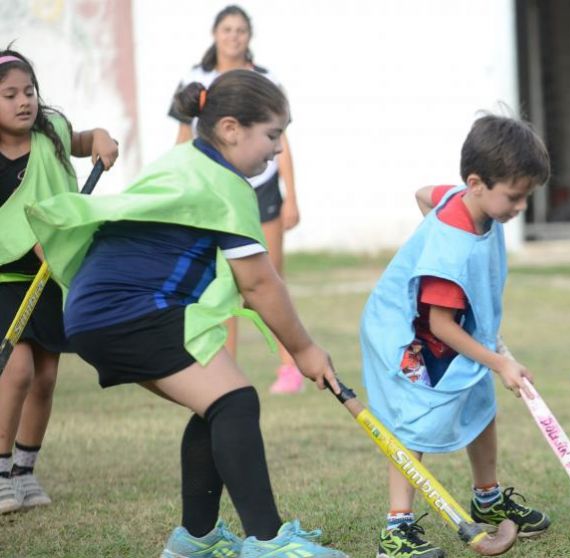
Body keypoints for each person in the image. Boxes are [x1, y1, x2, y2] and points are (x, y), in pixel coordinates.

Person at [28, 70, 347, 557]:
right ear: (231, 128)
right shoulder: (226, 184)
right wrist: (303, 350)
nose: (278, 150)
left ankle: (195, 540)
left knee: (217, 404)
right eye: (273, 135)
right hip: (127, 310)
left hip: (95, 311)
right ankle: (268, 542)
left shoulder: (182, 160)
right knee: (236, 402)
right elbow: (259, 282)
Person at [362, 115, 552, 558]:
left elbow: (423, 194)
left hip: (449, 330)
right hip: (411, 336)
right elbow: (440, 323)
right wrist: (500, 360)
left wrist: (433, 224)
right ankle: (397, 528)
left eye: (526, 196)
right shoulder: (452, 250)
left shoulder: (461, 197)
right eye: (515, 197)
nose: (520, 207)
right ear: (477, 183)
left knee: (479, 402)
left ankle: (486, 498)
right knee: (412, 423)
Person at [0, 49, 118, 514]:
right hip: (7, 276)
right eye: (9, 95)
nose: (23, 102)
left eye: (28, 91)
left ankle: (25, 472)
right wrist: (33, 238)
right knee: (19, 370)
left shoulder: (51, 133)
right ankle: (0, 470)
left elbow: (87, 140)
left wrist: (103, 140)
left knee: (46, 376)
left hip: (55, 273)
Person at [171, 4, 305, 395]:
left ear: (249, 36)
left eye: (241, 30)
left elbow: (284, 142)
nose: (234, 36)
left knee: (269, 279)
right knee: (222, 282)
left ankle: (289, 368)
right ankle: (227, 371)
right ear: (215, 34)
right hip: (213, 192)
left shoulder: (265, 79)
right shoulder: (196, 80)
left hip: (261, 190)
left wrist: (291, 197)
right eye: (227, 29)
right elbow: (183, 139)